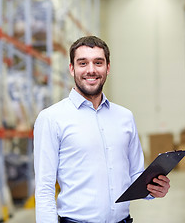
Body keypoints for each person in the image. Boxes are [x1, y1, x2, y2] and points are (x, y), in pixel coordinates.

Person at [34, 36, 170, 223]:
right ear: (72, 68)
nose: (91, 70)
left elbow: (135, 175)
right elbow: (44, 187)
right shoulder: (51, 118)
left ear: (108, 67)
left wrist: (153, 189)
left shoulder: (125, 117)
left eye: (98, 62)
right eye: (83, 63)